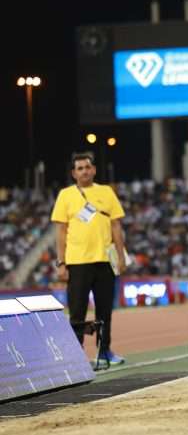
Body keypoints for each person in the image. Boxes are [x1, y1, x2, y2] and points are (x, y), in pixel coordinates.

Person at [51, 153, 127, 365]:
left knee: (105, 311)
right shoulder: (66, 195)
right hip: (77, 262)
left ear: (94, 170)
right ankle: (76, 357)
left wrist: (120, 257)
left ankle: (104, 352)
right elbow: (61, 230)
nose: (84, 171)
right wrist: (61, 262)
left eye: (87, 167)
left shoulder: (106, 192)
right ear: (74, 173)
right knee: (77, 311)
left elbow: (116, 226)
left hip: (104, 261)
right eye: (80, 168)